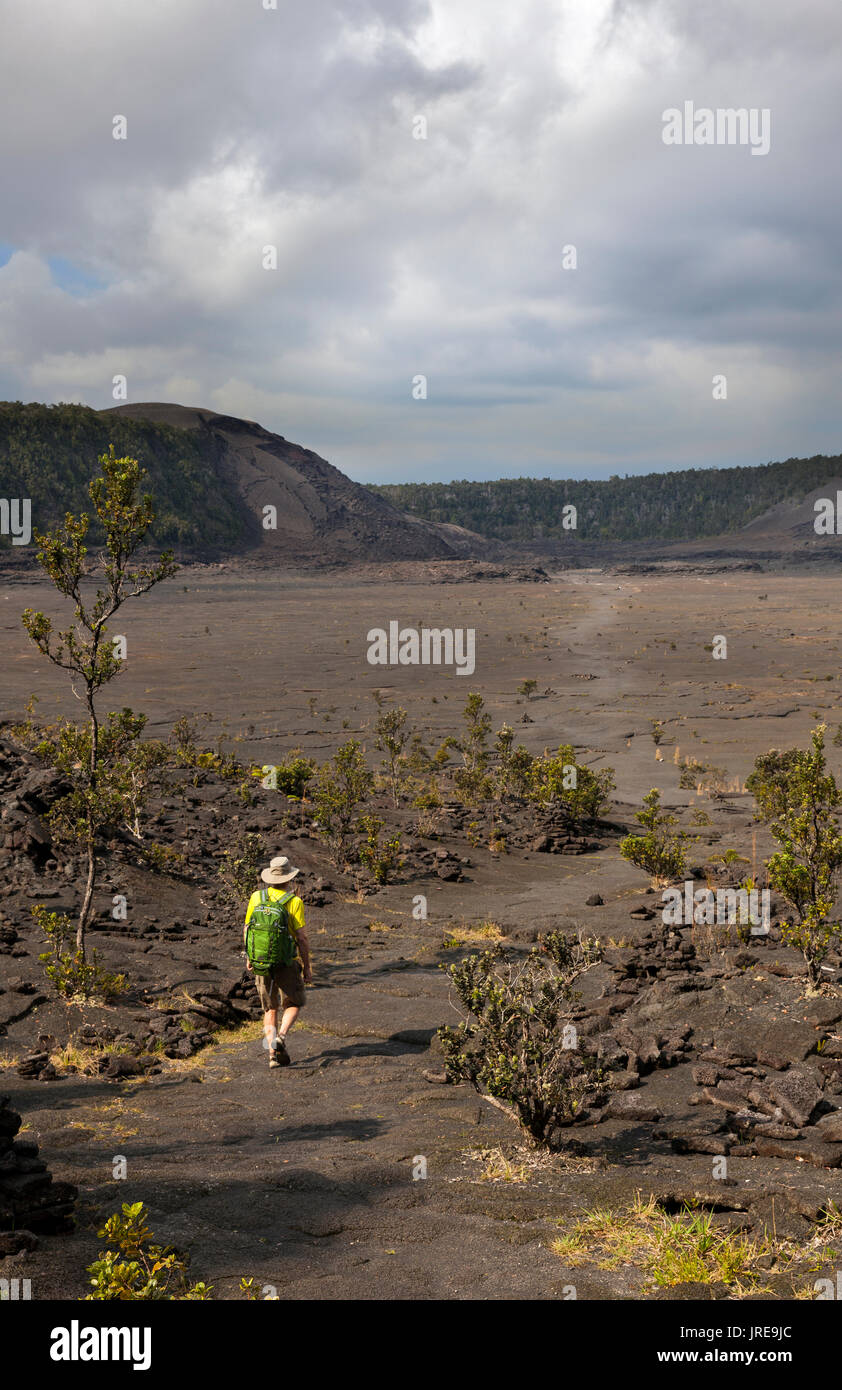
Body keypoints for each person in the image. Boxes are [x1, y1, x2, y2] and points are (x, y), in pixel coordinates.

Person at [243, 855, 312, 1069]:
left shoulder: (256, 897)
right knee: (294, 1002)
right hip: (286, 961)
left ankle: (272, 1056)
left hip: (261, 961)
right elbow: (301, 938)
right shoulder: (294, 902)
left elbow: (247, 929)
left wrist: (249, 956)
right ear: (288, 879)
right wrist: (307, 967)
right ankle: (281, 1035)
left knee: (269, 1009)